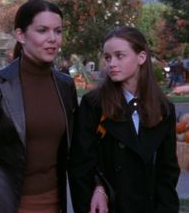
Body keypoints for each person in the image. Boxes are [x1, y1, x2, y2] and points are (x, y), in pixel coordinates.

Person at [0, 0, 78, 213]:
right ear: (20, 35)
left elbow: (75, 151)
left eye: (58, 31)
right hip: (4, 205)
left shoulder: (65, 85)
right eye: (42, 30)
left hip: (53, 204)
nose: (53, 39)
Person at [69, 26, 180, 213]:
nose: (111, 63)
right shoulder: (94, 105)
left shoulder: (164, 108)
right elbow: (80, 163)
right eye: (107, 57)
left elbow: (167, 170)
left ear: (141, 57)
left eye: (120, 56)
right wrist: (97, 188)